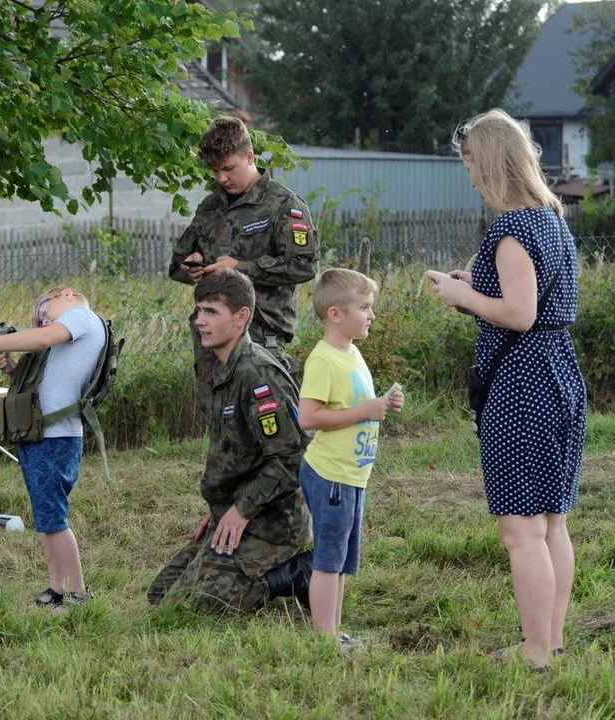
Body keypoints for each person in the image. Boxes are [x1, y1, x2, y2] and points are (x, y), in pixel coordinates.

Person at [425, 109, 586, 670]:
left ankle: (535, 652)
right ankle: (553, 641)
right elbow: (532, 299)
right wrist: (477, 283)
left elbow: (518, 313)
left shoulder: (512, 229)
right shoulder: (551, 220)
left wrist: (460, 296)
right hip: (559, 372)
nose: (469, 175)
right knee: (553, 523)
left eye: (471, 163)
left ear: (492, 164)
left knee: (522, 529)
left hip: (523, 384)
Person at [148, 269, 313, 613]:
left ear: (242, 317)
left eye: (211, 312)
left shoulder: (257, 374)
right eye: (198, 311)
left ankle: (299, 573)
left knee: (196, 609)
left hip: (273, 525)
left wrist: (241, 510)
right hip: (238, 513)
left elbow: (293, 459)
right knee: (161, 596)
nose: (199, 321)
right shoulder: (225, 370)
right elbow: (240, 456)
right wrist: (222, 507)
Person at [0, 287, 106, 610]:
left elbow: (39, 339)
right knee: (45, 516)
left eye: (44, 307)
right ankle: (57, 587)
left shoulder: (80, 317)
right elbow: (43, 380)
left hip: (57, 436)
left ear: (66, 294)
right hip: (41, 432)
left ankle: (77, 592)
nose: (40, 317)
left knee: (54, 517)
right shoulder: (63, 335)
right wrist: (10, 364)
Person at [169, 115, 319, 411]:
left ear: (249, 157)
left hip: (261, 334)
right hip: (212, 335)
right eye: (215, 171)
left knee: (267, 422)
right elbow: (176, 266)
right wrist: (193, 264)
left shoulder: (284, 205)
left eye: (229, 168)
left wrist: (240, 268)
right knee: (220, 421)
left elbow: (304, 266)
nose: (222, 178)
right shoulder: (210, 207)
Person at [297, 268, 404, 650]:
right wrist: (365, 412)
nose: (372, 314)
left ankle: (335, 631)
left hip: (353, 477)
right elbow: (308, 418)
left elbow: (360, 405)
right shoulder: (323, 360)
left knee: (341, 559)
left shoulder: (353, 352)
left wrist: (383, 405)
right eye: (365, 307)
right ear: (335, 315)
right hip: (331, 476)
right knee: (328, 560)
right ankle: (325, 638)